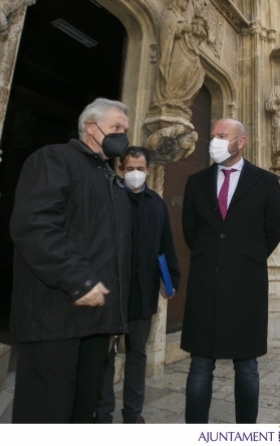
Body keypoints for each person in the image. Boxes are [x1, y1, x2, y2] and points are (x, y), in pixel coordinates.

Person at [10, 98, 132, 423]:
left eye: (125, 130)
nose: (123, 136)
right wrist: (79, 280)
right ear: (91, 127)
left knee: (81, 415)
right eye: (117, 128)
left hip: (95, 323)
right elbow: (35, 226)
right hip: (54, 317)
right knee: (45, 415)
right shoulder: (54, 159)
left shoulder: (111, 181)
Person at [180, 118, 280, 423]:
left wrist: (243, 259)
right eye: (212, 135)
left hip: (246, 285)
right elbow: (190, 229)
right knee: (200, 365)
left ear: (241, 142)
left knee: (247, 366)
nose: (213, 140)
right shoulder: (195, 181)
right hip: (204, 283)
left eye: (221, 136)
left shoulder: (265, 182)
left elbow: (272, 230)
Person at [95, 146, 181, 424]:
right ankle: (103, 411)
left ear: (148, 170)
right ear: (121, 169)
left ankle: (133, 413)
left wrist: (171, 280)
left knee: (137, 354)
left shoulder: (156, 203)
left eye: (139, 169)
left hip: (143, 291)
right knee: (106, 354)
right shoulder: (109, 198)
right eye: (129, 168)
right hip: (112, 291)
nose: (134, 174)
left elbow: (166, 244)